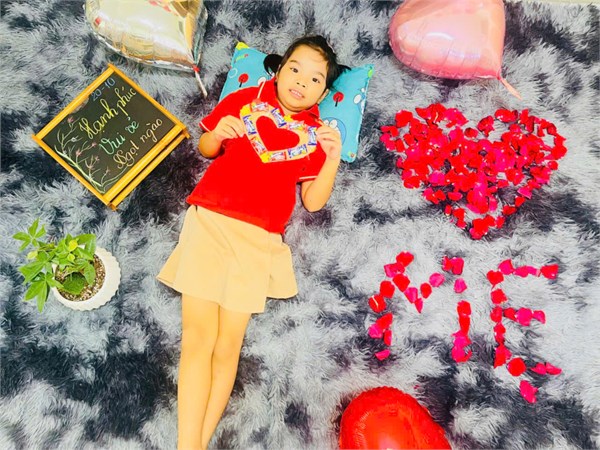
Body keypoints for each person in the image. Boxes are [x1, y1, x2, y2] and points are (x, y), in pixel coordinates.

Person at [157, 35, 345, 450]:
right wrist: (217, 133)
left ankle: (193, 445)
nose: (301, 81)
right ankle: (189, 444)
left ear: (323, 94)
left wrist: (332, 159)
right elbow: (207, 148)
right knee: (198, 337)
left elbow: (313, 201)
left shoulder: (317, 136)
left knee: (228, 347)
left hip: (259, 239)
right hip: (210, 221)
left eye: (315, 79)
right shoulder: (245, 100)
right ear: (279, 71)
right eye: (294, 69)